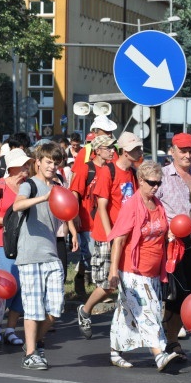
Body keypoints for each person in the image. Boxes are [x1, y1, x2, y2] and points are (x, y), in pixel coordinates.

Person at [107, 161, 179, 370]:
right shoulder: (131, 206)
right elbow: (119, 240)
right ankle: (159, 354)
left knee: (127, 312)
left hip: (153, 271)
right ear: (140, 181)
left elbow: (161, 229)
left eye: (159, 183)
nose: (156, 186)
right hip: (132, 270)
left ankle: (114, 351)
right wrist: (113, 271)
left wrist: (170, 234)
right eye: (151, 183)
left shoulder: (157, 204)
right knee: (149, 310)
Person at [12, 143, 77, 370]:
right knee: (33, 308)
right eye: (48, 161)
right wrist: (43, 197)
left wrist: (73, 230)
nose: (52, 166)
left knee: (55, 309)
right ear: (38, 162)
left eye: (55, 162)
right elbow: (17, 205)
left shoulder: (59, 185)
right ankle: (31, 353)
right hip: (30, 253)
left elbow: (66, 208)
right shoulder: (29, 184)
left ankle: (36, 342)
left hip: (51, 251)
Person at [77, 132, 142, 339]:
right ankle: (85, 310)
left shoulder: (133, 173)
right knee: (107, 284)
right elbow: (102, 207)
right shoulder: (108, 171)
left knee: (128, 280)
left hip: (127, 235)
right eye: (135, 150)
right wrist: (110, 234)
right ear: (124, 151)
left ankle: (131, 323)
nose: (139, 152)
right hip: (107, 235)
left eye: (139, 149)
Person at [155, 133, 191, 362]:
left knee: (187, 294)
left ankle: (172, 340)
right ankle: (166, 343)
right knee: (172, 295)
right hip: (170, 242)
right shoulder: (162, 176)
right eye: (183, 150)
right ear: (171, 151)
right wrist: (166, 230)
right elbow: (151, 206)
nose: (187, 155)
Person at [0, 148, 34, 345]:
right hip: (2, 243)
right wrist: (9, 222)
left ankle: (10, 329)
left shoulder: (29, 187)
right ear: (12, 167)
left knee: (23, 287)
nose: (26, 168)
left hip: (26, 243)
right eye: (23, 165)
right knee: (4, 285)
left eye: (28, 165)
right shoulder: (0, 186)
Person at [70, 135, 117, 298]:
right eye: (108, 148)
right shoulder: (86, 168)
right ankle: (82, 278)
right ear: (97, 151)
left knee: (98, 255)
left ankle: (101, 287)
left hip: (103, 220)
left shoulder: (112, 168)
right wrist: (75, 214)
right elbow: (74, 192)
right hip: (87, 220)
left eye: (114, 148)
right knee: (89, 253)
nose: (112, 151)